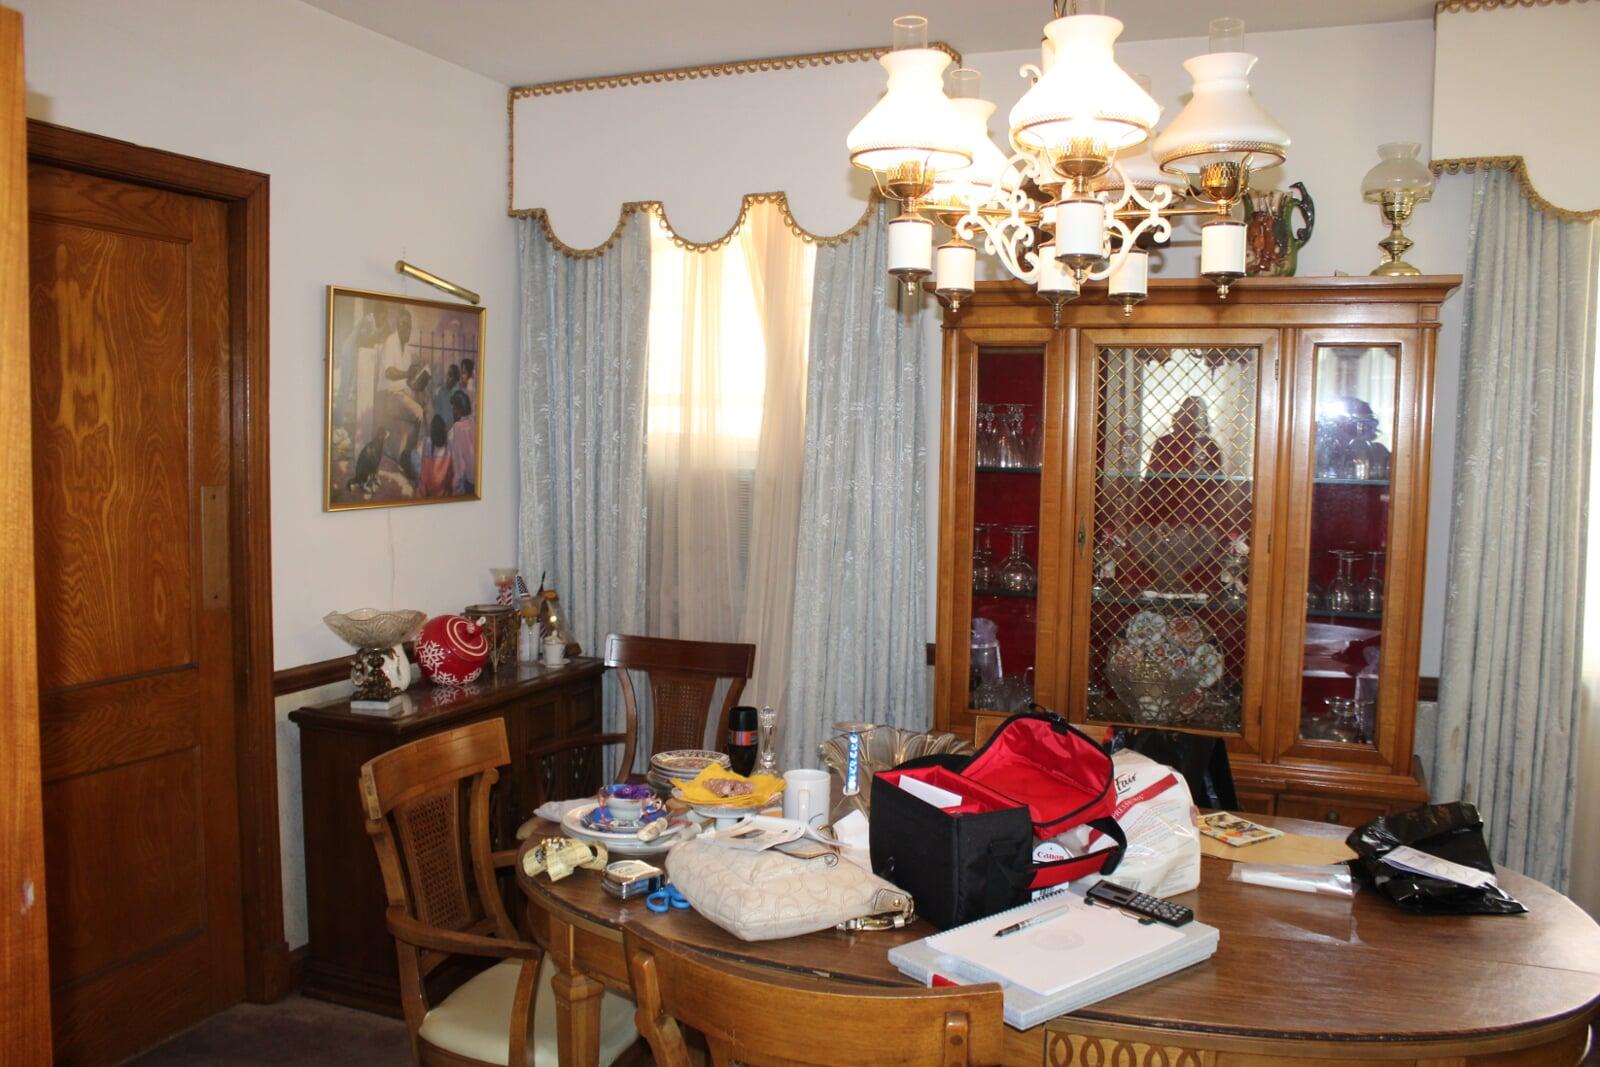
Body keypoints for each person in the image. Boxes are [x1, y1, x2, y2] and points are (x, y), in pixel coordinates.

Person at [447, 391, 476, 496]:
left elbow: (459, 466)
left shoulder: (457, 428)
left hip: (468, 483)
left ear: (457, 409)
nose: (452, 411)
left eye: (453, 408)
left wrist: (455, 488)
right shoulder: (472, 422)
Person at [419, 415, 453, 496]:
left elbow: (424, 473)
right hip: (443, 491)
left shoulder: (427, 442)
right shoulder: (449, 445)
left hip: (428, 490)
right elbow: (450, 474)